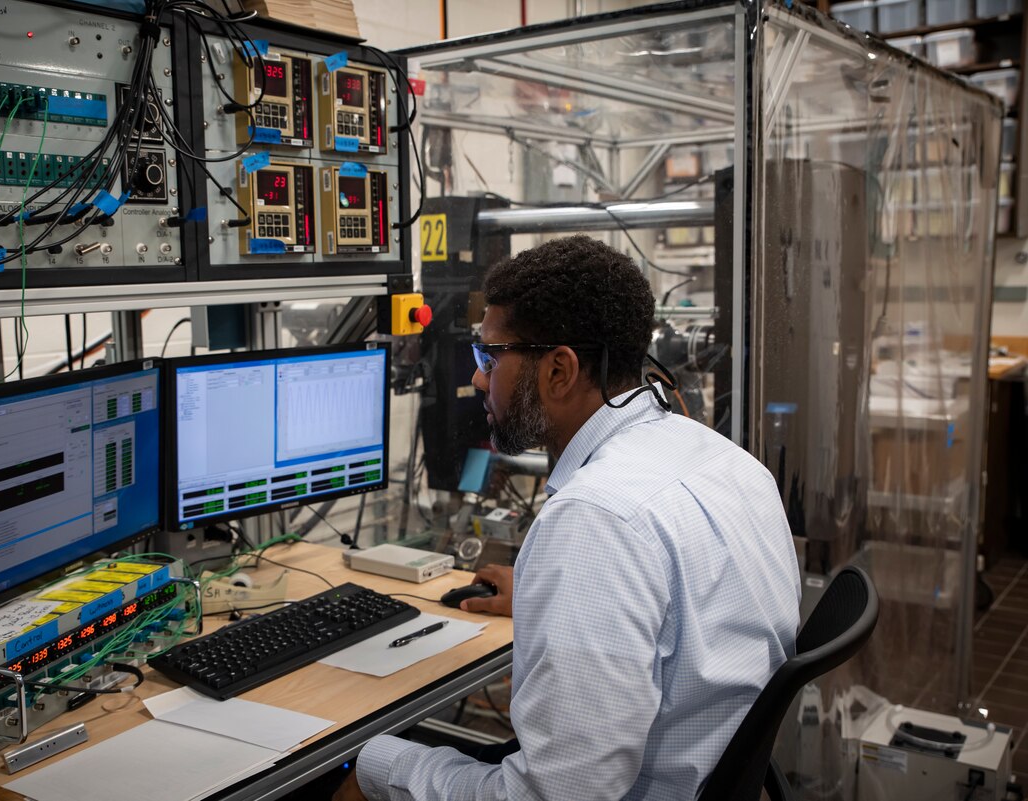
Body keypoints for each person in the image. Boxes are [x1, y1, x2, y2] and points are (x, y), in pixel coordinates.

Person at [333, 234, 801, 801]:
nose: (478, 379)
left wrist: (379, 766)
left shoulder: (596, 519)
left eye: (489, 359)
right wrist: (553, 597)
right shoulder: (727, 460)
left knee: (355, 768)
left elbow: (553, 796)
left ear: (559, 370)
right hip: (704, 777)